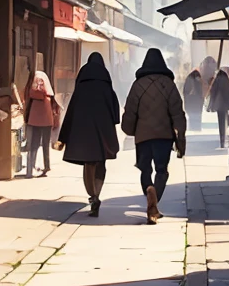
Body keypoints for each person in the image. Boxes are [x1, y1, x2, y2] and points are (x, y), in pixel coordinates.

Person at [122, 48, 186, 225]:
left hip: (143, 136)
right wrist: (180, 136)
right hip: (164, 137)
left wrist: (130, 130)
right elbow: (177, 113)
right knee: (161, 170)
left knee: (145, 170)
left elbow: (130, 112)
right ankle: (154, 202)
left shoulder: (138, 85)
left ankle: (149, 191)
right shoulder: (169, 84)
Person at [58, 52, 120, 217]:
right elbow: (116, 114)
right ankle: (98, 194)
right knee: (101, 164)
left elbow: (70, 113)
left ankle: (93, 197)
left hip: (83, 133)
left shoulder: (81, 87)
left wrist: (62, 138)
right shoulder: (107, 86)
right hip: (103, 131)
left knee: (88, 165)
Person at [25, 68, 58, 177]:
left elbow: (35, 92)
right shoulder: (47, 96)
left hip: (35, 116)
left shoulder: (36, 80)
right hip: (46, 116)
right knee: (45, 144)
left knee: (34, 142)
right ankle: (46, 166)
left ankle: (31, 167)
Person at [208, 68, 229, 148]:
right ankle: (226, 138)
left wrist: (211, 105)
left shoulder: (217, 80)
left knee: (221, 123)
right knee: (227, 122)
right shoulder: (227, 81)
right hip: (226, 104)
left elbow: (213, 92)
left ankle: (222, 141)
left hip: (219, 105)